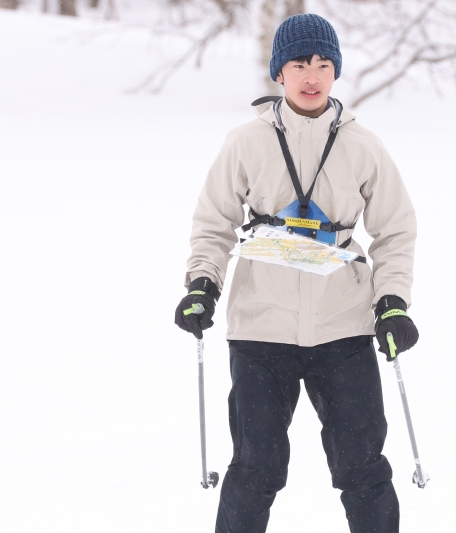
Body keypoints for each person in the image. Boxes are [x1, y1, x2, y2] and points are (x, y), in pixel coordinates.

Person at [175, 13, 418, 533]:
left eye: (324, 64)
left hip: (344, 331)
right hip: (261, 330)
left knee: (364, 471)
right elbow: (213, 222)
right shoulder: (245, 142)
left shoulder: (364, 146)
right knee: (254, 470)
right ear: (278, 73)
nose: (312, 75)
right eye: (300, 63)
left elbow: (396, 230)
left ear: (336, 73)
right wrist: (203, 284)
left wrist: (392, 301)